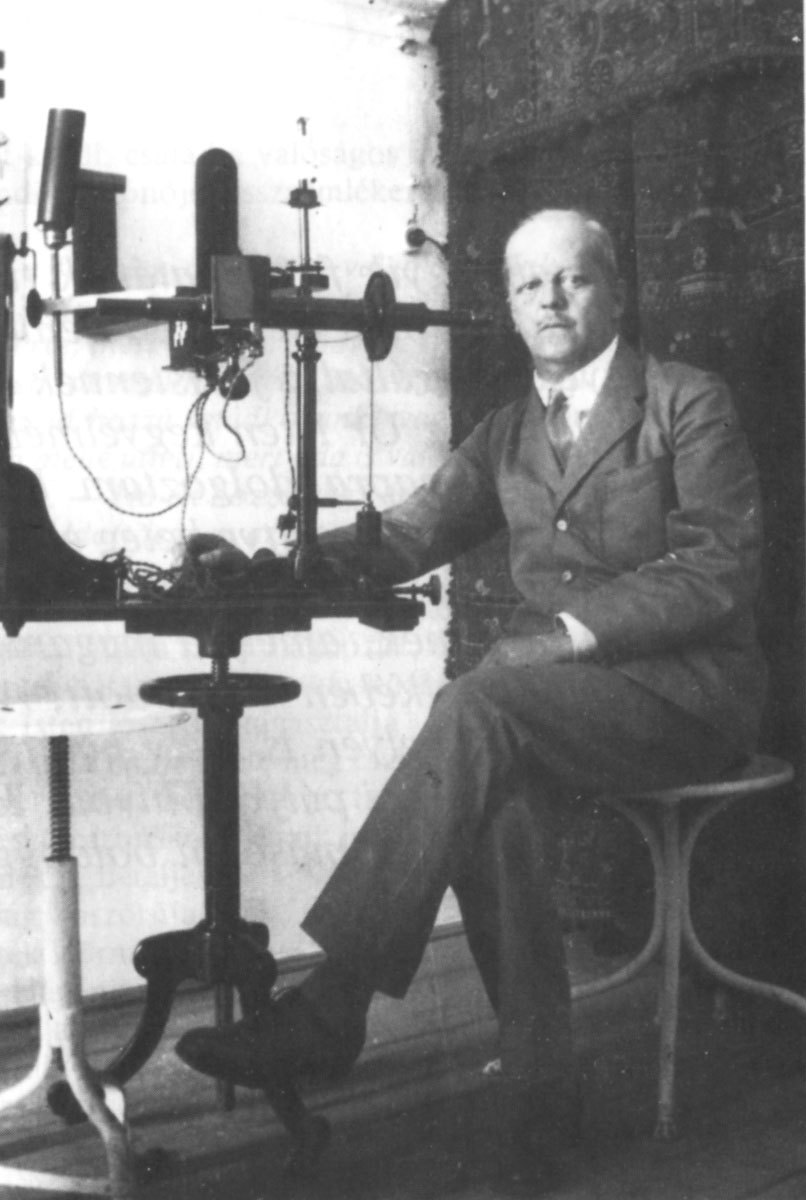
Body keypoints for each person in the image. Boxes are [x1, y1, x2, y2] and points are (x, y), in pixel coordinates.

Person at [176, 209, 766, 1193]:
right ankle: (544, 1097)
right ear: (511, 307)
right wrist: (278, 565)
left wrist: (568, 634)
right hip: (555, 708)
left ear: (617, 293)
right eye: (530, 285)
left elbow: (719, 567)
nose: (550, 299)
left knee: (478, 702)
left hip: (687, 701)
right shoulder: (506, 433)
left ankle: (333, 1008)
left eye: (573, 278)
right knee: (495, 802)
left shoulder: (685, 401)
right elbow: (408, 533)